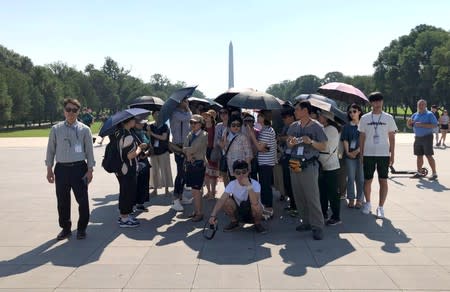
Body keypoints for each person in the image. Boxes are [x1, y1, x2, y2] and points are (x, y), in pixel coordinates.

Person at [45, 98, 95, 240]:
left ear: (78, 111)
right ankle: (65, 228)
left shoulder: (85, 129)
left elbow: (90, 151)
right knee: (62, 201)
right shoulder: (56, 129)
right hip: (61, 169)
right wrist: (49, 168)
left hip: (79, 168)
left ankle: (81, 228)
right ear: (64, 111)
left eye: (74, 110)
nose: (71, 113)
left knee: (83, 200)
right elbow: (50, 150)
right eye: (68, 110)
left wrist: (90, 169)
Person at [286, 100, 327, 240]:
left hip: (309, 164)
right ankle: (306, 222)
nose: (295, 112)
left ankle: (318, 226)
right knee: (299, 195)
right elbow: (289, 143)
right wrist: (290, 143)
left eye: (297, 109)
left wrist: (311, 142)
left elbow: (323, 146)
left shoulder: (317, 127)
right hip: (294, 163)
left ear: (305, 111)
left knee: (312, 196)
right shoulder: (293, 126)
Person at [359, 92, 397, 219]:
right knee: (367, 180)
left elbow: (391, 137)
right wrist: (362, 154)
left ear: (382, 102)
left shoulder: (388, 118)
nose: (377, 103)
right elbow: (362, 136)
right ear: (371, 103)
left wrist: (392, 155)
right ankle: (368, 203)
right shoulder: (364, 118)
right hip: (368, 153)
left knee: (383, 180)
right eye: (374, 101)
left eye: (379, 100)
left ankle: (380, 207)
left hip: (383, 154)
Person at [208, 160, 266, 233]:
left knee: (257, 206)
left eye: (244, 172)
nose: (241, 175)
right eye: (238, 173)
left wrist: (248, 185)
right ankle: (234, 222)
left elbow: (255, 203)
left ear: (248, 172)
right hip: (238, 212)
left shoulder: (255, 184)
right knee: (226, 201)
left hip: (252, 213)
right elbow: (221, 200)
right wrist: (213, 215)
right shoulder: (232, 184)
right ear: (234, 174)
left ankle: (257, 224)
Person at [116, 117, 148, 227]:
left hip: (121, 168)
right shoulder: (128, 135)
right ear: (129, 122)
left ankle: (123, 216)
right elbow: (130, 155)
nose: (135, 121)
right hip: (128, 168)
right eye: (133, 120)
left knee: (124, 192)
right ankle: (125, 219)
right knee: (127, 193)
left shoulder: (119, 133)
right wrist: (139, 148)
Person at [248, 110, 277, 219]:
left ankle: (269, 208)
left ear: (265, 118)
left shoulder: (267, 131)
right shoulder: (265, 130)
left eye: (260, 116)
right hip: (264, 160)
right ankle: (265, 207)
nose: (257, 118)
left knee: (265, 186)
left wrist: (252, 136)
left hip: (266, 162)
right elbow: (264, 147)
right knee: (263, 185)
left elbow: (260, 147)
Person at [317, 111, 341, 226]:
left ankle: (336, 216)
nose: (318, 117)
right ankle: (323, 212)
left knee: (332, 192)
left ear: (326, 118)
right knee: (322, 191)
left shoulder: (331, 129)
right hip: (323, 164)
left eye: (320, 115)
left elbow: (325, 145)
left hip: (330, 165)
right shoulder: (324, 128)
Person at [183, 114, 208, 222]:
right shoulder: (190, 134)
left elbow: (193, 148)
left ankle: (199, 213)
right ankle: (196, 211)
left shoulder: (203, 134)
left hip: (198, 164)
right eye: (191, 122)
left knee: (196, 190)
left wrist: (188, 153)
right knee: (194, 190)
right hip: (192, 164)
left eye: (195, 123)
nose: (192, 124)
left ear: (201, 124)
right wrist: (188, 152)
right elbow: (184, 148)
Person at [407, 99, 438, 180]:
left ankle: (434, 173)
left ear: (425, 106)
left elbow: (435, 125)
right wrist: (409, 124)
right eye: (419, 105)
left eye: (422, 105)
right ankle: (419, 172)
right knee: (419, 156)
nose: (420, 106)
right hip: (417, 138)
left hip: (427, 137)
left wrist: (422, 125)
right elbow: (411, 126)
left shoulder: (429, 114)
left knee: (428, 155)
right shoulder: (414, 115)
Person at [170, 98, 192, 212]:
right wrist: (188, 108)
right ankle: (175, 199)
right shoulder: (175, 113)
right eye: (185, 101)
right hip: (178, 146)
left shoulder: (182, 113)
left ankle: (181, 197)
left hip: (185, 145)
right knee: (180, 173)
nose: (186, 102)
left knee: (184, 172)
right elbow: (189, 117)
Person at [341, 103, 364, 209]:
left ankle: (359, 200)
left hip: (362, 155)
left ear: (359, 112)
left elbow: (366, 140)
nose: (352, 114)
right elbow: (345, 140)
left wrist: (357, 151)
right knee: (350, 177)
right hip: (349, 156)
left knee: (360, 178)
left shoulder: (364, 125)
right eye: (350, 112)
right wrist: (348, 152)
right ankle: (351, 198)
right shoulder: (346, 126)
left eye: (354, 111)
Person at [221, 115, 253, 183]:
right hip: (231, 166)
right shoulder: (226, 134)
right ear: (229, 125)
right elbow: (224, 149)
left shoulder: (243, 137)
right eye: (233, 125)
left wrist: (245, 169)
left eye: (238, 125)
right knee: (233, 185)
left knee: (243, 188)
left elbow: (248, 153)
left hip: (242, 168)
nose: (236, 127)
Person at [148, 110, 173, 196]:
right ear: (153, 116)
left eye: (159, 114)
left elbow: (163, 137)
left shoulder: (165, 126)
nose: (157, 116)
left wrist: (152, 133)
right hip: (154, 151)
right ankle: (155, 189)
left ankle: (166, 189)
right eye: (155, 114)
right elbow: (148, 138)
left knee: (165, 170)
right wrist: (148, 132)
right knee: (154, 171)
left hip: (164, 150)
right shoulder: (150, 126)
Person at [278, 108, 297, 213]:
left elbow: (292, 139)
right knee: (287, 182)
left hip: (294, 158)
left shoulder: (297, 126)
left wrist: (282, 138)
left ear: (291, 117)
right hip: (286, 156)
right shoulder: (286, 127)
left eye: (285, 117)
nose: (283, 120)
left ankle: (296, 207)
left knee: (294, 182)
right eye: (283, 118)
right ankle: (292, 205)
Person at [132, 118, 152, 212]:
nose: (142, 125)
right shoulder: (131, 134)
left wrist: (147, 152)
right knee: (136, 183)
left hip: (144, 159)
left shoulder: (143, 132)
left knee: (144, 182)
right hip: (136, 160)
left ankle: (140, 203)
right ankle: (133, 204)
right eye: (140, 123)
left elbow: (149, 144)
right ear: (135, 124)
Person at [202, 110, 219, 199]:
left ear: (212, 118)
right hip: (204, 151)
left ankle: (212, 192)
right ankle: (208, 192)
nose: (206, 117)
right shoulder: (202, 127)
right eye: (205, 116)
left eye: (208, 116)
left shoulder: (215, 127)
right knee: (206, 173)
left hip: (213, 151)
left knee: (213, 173)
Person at [215, 108, 230, 185]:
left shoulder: (232, 125)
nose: (223, 115)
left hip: (232, 152)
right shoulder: (218, 126)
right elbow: (216, 138)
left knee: (232, 174)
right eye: (221, 113)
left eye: (225, 112)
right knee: (224, 174)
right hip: (222, 153)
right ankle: (227, 192)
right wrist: (221, 144)